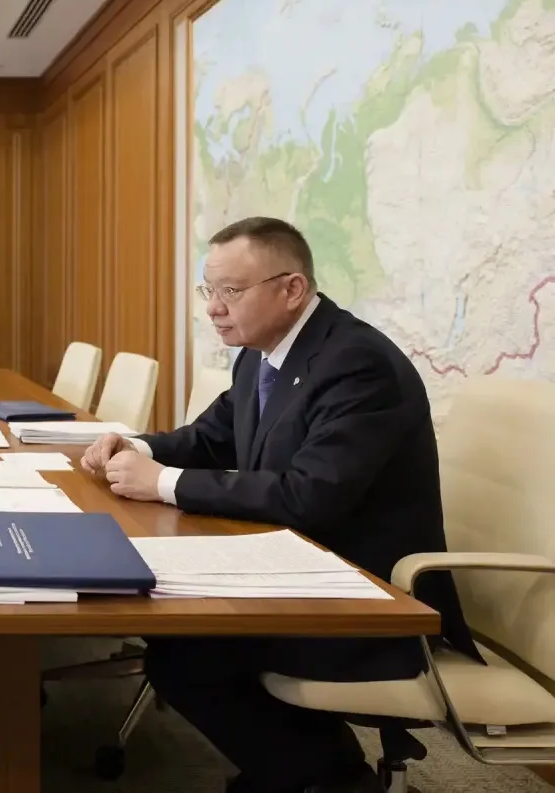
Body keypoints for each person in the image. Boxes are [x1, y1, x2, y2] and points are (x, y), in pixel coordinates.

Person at [82, 216, 481, 793]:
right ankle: (303, 769)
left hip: (368, 598)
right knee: (181, 643)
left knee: (188, 655)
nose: (214, 308)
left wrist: (163, 483)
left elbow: (307, 495)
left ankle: (331, 779)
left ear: (292, 289)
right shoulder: (262, 353)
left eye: (230, 291)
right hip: (298, 569)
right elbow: (210, 437)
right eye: (208, 290)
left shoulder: (358, 365)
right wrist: (135, 447)